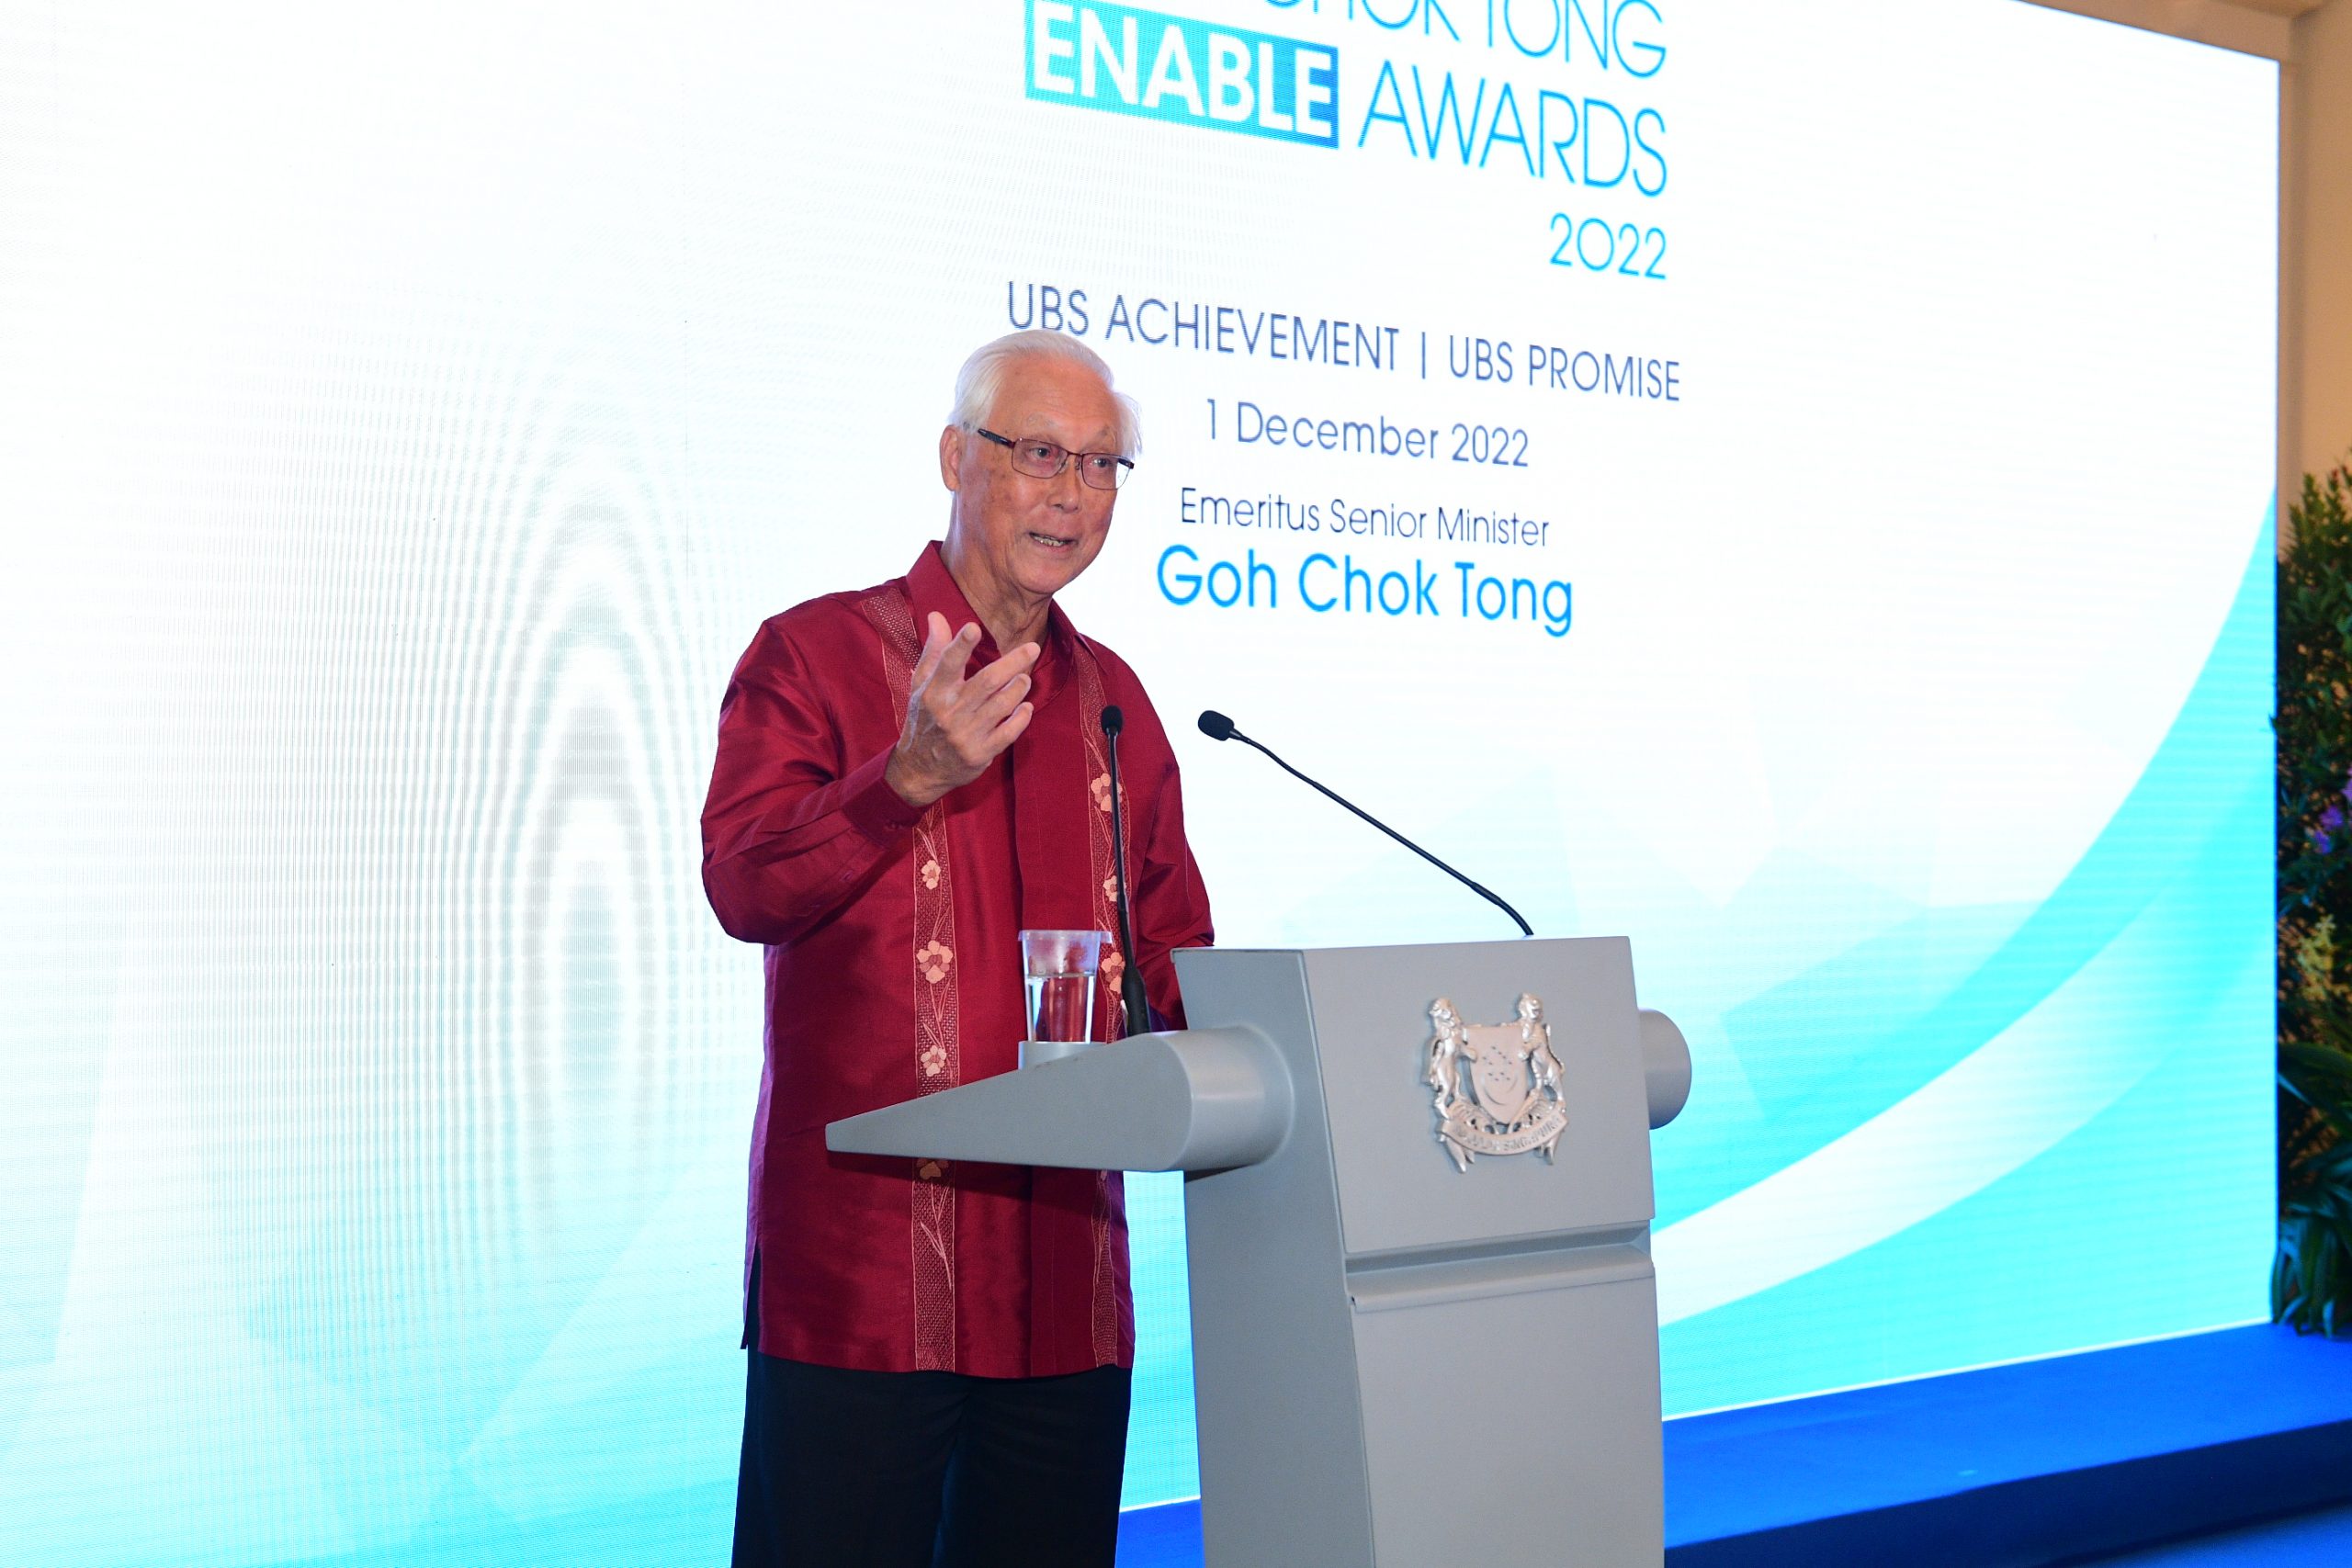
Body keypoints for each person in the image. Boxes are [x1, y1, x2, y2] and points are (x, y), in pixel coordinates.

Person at [700, 329, 1214, 1567]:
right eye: (1041, 453)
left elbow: (1176, 951)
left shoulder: (1114, 704)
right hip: (868, 1291)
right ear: (954, 456)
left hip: (1065, 1295)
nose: (1072, 494)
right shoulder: (814, 655)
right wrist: (904, 778)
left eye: (1101, 467)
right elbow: (744, 883)